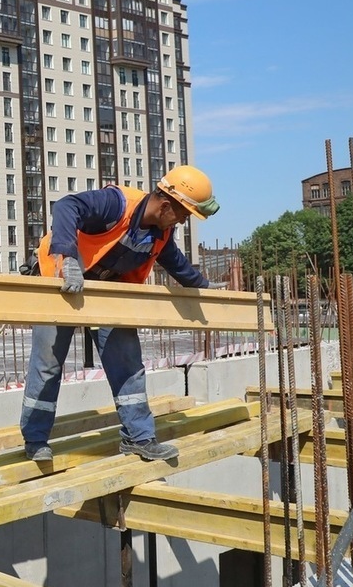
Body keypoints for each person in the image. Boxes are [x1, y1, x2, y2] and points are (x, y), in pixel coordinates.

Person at [19, 165, 222, 463]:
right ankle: (35, 440)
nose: (183, 220)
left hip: (107, 291)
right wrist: (69, 257)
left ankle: (139, 438)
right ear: (166, 205)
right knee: (48, 364)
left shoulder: (161, 233)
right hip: (60, 279)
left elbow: (176, 264)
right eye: (183, 214)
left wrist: (208, 291)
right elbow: (66, 205)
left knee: (127, 363)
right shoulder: (117, 204)